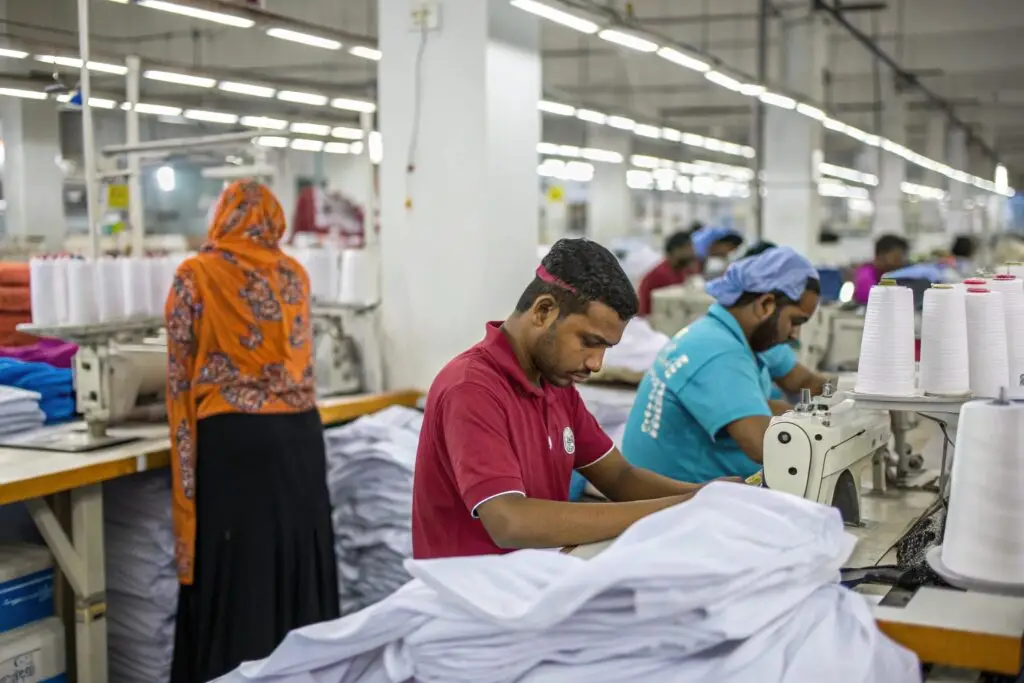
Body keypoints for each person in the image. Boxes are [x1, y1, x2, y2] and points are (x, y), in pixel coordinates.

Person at [411, 238, 725, 560]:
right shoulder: (472, 388)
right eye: (589, 342)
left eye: (605, 349)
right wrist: (677, 507)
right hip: (471, 596)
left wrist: (712, 495)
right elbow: (509, 521)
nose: (596, 364)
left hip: (531, 577)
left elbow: (619, 477)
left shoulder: (557, 388)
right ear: (544, 311)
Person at [165, 181, 339, 682]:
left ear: (222, 216)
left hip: (234, 440)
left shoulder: (194, 275)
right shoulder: (295, 274)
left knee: (239, 567)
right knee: (294, 561)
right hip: (301, 438)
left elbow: (177, 372)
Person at [621, 247, 820, 484]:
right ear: (766, 305)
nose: (795, 335)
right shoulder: (716, 350)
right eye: (795, 321)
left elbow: (800, 381)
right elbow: (766, 446)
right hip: (679, 504)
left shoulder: (746, 336)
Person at [636, 231, 697, 316]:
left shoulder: (681, 271)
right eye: (688, 248)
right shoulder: (660, 274)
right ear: (676, 250)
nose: (692, 252)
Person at [852, 234, 908, 304]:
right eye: (897, 257)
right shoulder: (865, 274)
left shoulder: (892, 274)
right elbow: (870, 297)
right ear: (881, 255)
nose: (901, 262)